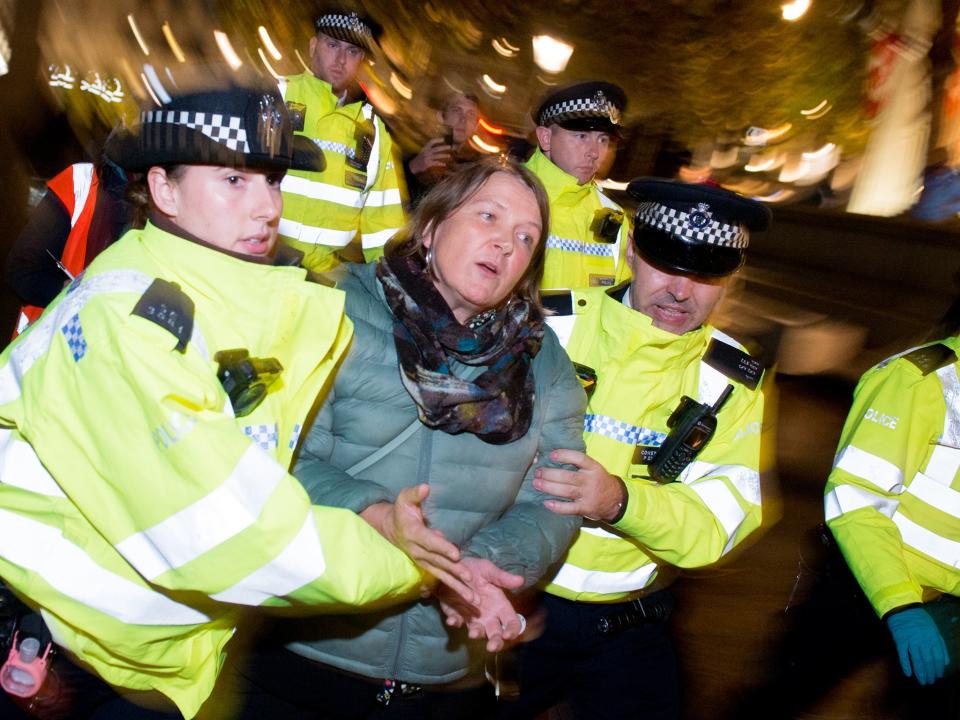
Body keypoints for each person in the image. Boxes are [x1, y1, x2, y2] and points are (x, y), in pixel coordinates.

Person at [0, 75, 424, 719]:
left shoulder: (220, 289)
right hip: (61, 650)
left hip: (141, 652)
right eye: (233, 180)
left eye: (272, 181)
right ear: (163, 188)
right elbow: (219, 533)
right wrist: (408, 563)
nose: (266, 208)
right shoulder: (130, 317)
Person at [230, 158, 587, 719]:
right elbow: (279, 456)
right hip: (300, 657)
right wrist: (376, 516)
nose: (505, 244)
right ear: (430, 227)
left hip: (445, 681)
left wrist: (475, 568)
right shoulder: (332, 308)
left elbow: (554, 497)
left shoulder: (547, 364)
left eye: (525, 237)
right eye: (488, 217)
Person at [498, 179, 771, 719]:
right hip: (512, 602)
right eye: (667, 264)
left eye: (706, 274)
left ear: (731, 280)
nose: (681, 291)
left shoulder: (732, 381)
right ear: (630, 252)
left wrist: (621, 502)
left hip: (630, 627)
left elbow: (719, 522)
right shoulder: (547, 326)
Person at [824, 332, 960, 711]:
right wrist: (901, 607)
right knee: (788, 694)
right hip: (873, 590)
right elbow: (856, 500)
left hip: (949, 613)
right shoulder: (919, 379)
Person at [278, 7, 407, 273]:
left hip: (322, 282)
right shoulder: (274, 96)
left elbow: (383, 231)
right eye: (332, 44)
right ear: (313, 46)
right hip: (257, 264)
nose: (340, 59)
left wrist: (388, 288)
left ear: (361, 62)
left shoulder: (373, 132)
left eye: (352, 51)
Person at [5, 149, 131, 336]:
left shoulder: (173, 214)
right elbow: (21, 269)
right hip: (46, 347)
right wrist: (74, 293)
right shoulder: (81, 183)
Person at [525, 81, 631, 291]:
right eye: (581, 136)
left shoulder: (614, 216)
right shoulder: (507, 196)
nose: (594, 152)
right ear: (545, 138)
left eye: (603, 140)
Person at [403, 92, 481, 206]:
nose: (463, 120)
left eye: (471, 114)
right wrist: (413, 168)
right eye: (456, 110)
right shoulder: (413, 148)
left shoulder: (477, 169)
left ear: (476, 125)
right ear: (441, 117)